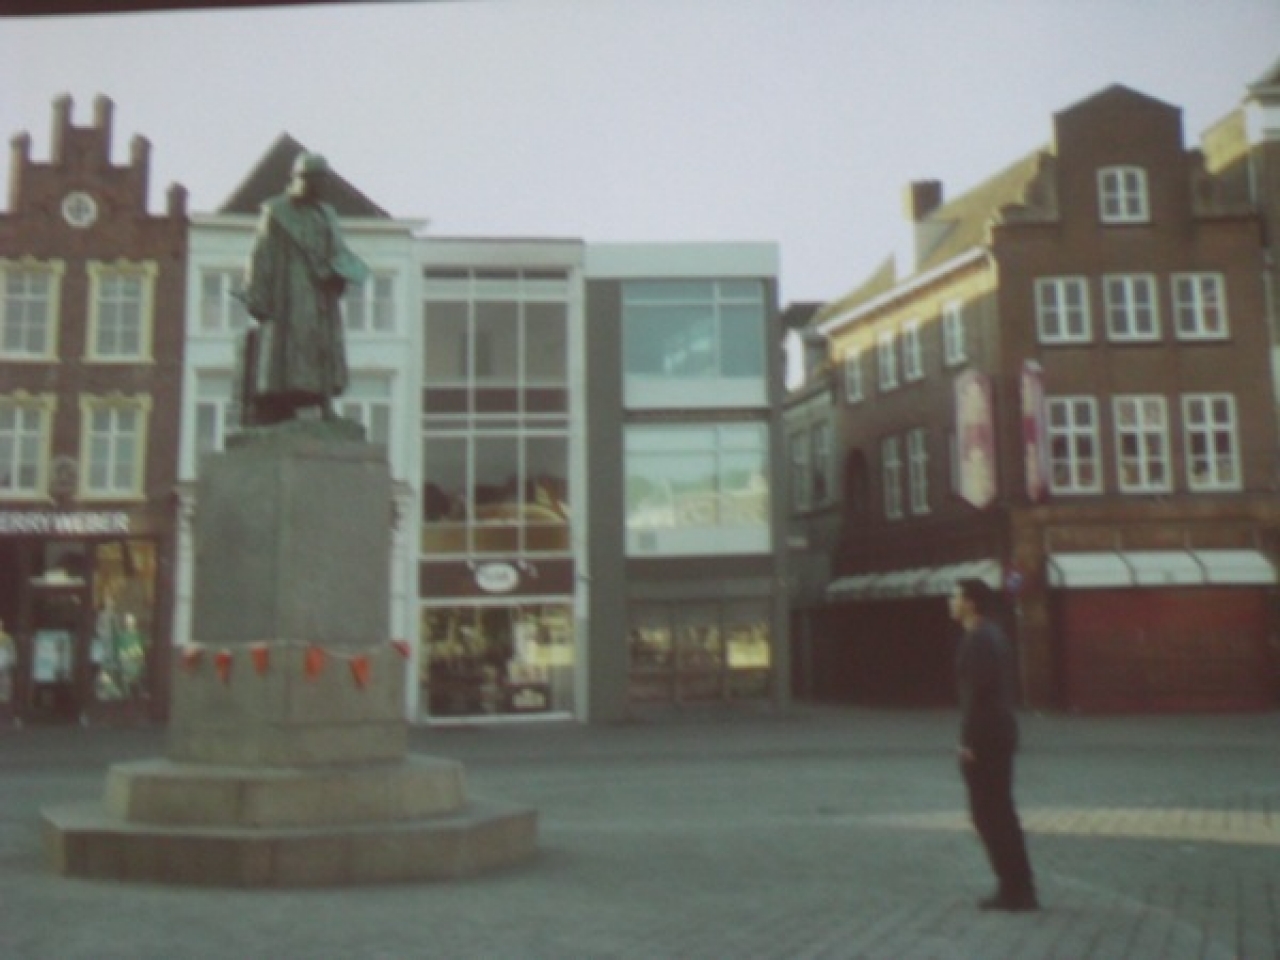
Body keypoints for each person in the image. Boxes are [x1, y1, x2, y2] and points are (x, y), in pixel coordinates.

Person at [239, 152, 369, 426]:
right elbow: (260, 255)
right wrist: (257, 294)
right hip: (289, 290)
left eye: (324, 180)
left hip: (322, 291)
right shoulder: (276, 211)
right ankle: (283, 406)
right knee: (289, 349)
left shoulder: (327, 214)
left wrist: (340, 272)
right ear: (301, 179)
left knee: (324, 346)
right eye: (317, 180)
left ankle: (325, 405)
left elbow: (338, 250)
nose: (322, 186)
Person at [950, 577, 1039, 912]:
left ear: (970, 602)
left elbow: (978, 694)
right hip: (999, 733)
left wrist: (968, 742)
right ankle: (1018, 886)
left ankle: (1015, 888)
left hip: (987, 737)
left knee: (989, 814)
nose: (951, 602)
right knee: (999, 812)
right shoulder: (992, 635)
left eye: (955, 597)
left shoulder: (980, 640)